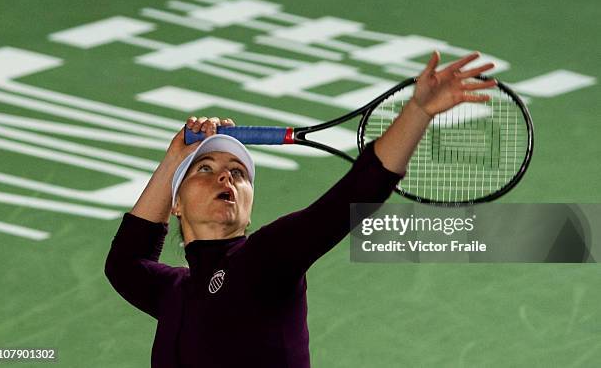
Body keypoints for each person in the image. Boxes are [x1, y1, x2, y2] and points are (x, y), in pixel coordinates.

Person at [105, 52, 496, 367]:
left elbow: (353, 195)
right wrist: (175, 158)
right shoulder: (174, 293)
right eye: (205, 170)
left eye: (238, 173)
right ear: (175, 203)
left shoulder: (263, 259)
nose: (225, 179)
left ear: (248, 207)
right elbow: (124, 263)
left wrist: (418, 112)